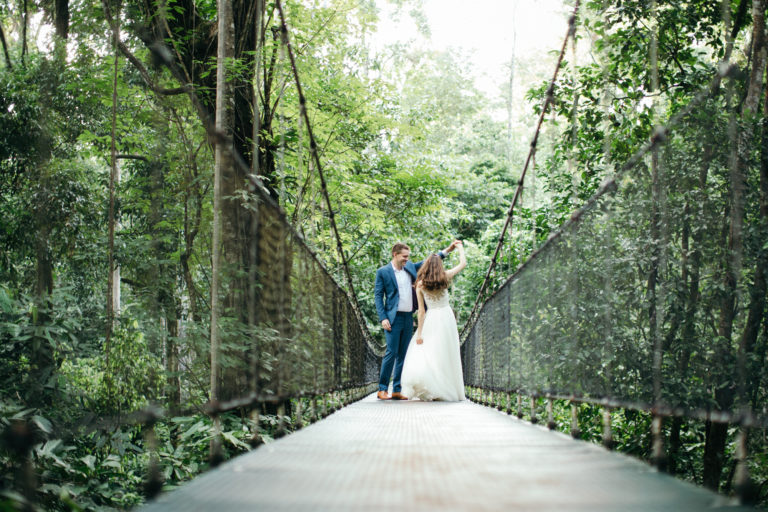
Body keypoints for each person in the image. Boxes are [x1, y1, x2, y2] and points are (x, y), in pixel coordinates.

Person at [374, 240, 460, 400]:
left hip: (408, 317)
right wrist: (383, 317)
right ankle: (383, 389)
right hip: (393, 318)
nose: (407, 259)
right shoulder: (383, 272)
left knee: (403, 354)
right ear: (395, 254)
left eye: (408, 257)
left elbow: (432, 260)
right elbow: (378, 296)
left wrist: (448, 249)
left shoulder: (410, 267)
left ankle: (397, 389)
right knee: (391, 352)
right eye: (404, 256)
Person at [400, 240, 467, 401]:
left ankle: (432, 388)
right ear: (439, 267)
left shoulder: (420, 285)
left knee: (428, 352)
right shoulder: (445, 277)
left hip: (431, 319)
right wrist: (459, 248)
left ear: (426, 266)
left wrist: (420, 333)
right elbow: (463, 264)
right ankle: (443, 389)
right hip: (446, 317)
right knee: (445, 353)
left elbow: (421, 312)